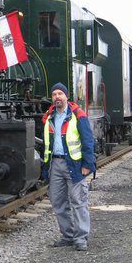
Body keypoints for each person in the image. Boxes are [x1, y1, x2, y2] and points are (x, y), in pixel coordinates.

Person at [42, 82, 95, 251]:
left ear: (66, 96)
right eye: (54, 94)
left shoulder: (78, 115)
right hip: (54, 164)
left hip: (75, 164)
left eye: (60, 94)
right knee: (58, 202)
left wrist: (88, 165)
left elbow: (88, 141)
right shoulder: (49, 117)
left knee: (78, 201)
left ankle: (81, 238)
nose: (57, 97)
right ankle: (68, 235)